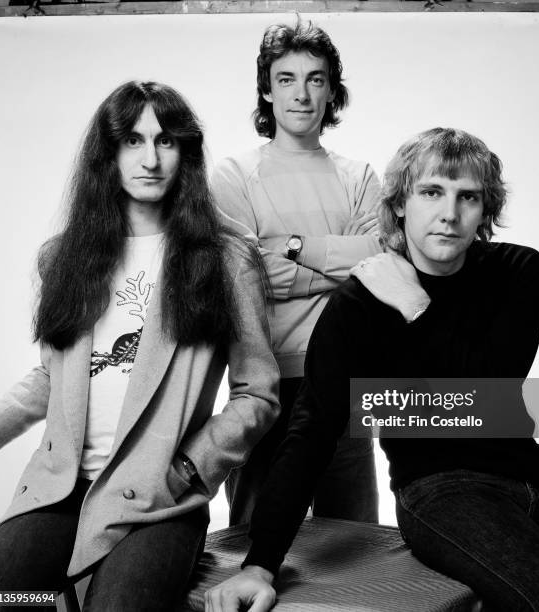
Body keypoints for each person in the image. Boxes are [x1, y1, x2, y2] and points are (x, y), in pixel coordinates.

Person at [205, 128, 539, 612]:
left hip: (538, 484)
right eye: (432, 192)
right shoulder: (357, 305)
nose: (449, 214)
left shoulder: (517, 271)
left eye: (468, 197)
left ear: (486, 209)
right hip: (442, 491)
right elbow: (312, 433)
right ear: (399, 204)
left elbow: (488, 390)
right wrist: (259, 564)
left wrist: (415, 303)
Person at [0, 81, 280, 612]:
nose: (150, 158)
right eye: (133, 141)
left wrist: (190, 467)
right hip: (59, 489)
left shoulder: (224, 259)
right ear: (109, 153)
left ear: (185, 154)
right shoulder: (62, 258)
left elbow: (257, 394)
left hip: (157, 498)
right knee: (7, 597)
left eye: (166, 141)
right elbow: (53, 379)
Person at [212, 19, 381, 527]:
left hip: (342, 381)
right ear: (267, 90)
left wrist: (287, 253)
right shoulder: (233, 175)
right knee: (249, 546)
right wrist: (338, 271)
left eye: (316, 78)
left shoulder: (360, 176)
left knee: (357, 546)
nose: (302, 94)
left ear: (333, 91)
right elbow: (243, 277)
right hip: (262, 385)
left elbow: (379, 263)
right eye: (286, 79)